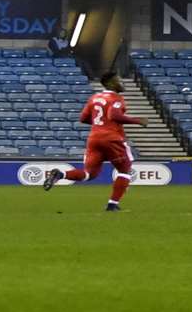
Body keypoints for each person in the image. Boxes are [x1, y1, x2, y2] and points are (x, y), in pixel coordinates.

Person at [42, 72, 146, 211]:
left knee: (89, 174)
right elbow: (114, 115)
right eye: (118, 80)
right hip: (112, 138)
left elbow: (83, 118)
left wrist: (101, 124)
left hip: (94, 138)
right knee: (124, 169)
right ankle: (112, 205)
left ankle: (61, 174)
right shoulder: (116, 98)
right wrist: (137, 121)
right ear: (110, 83)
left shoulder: (94, 98)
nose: (122, 83)